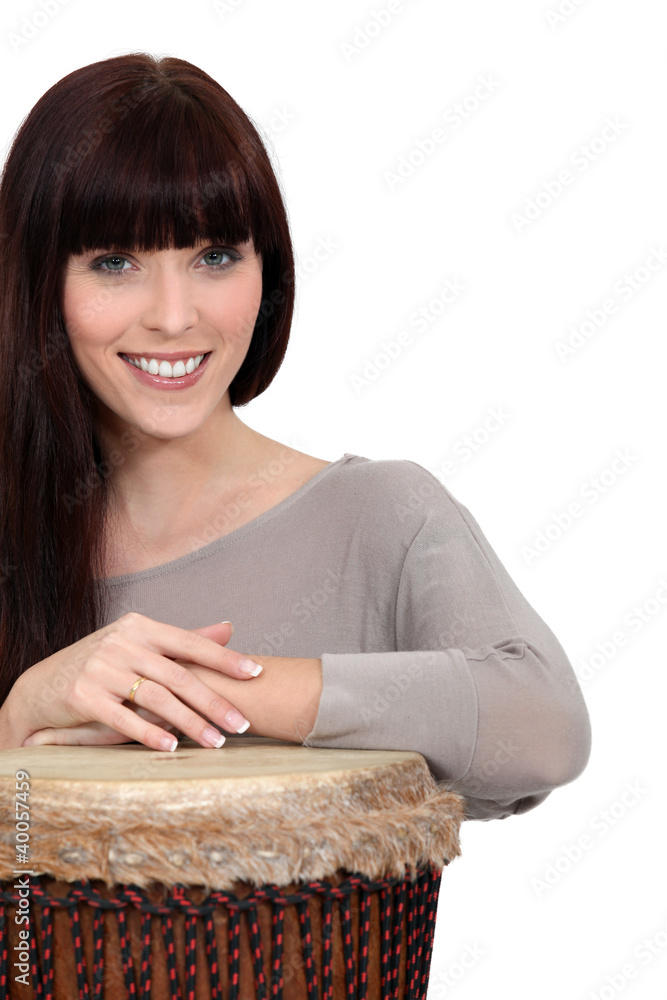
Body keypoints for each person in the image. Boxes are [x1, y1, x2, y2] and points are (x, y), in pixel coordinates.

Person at [0, 52, 591, 821]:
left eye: (215, 256)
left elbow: (543, 726)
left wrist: (192, 685)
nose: (175, 316)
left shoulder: (379, 516)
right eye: (115, 262)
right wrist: (17, 722)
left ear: (266, 271)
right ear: (39, 282)